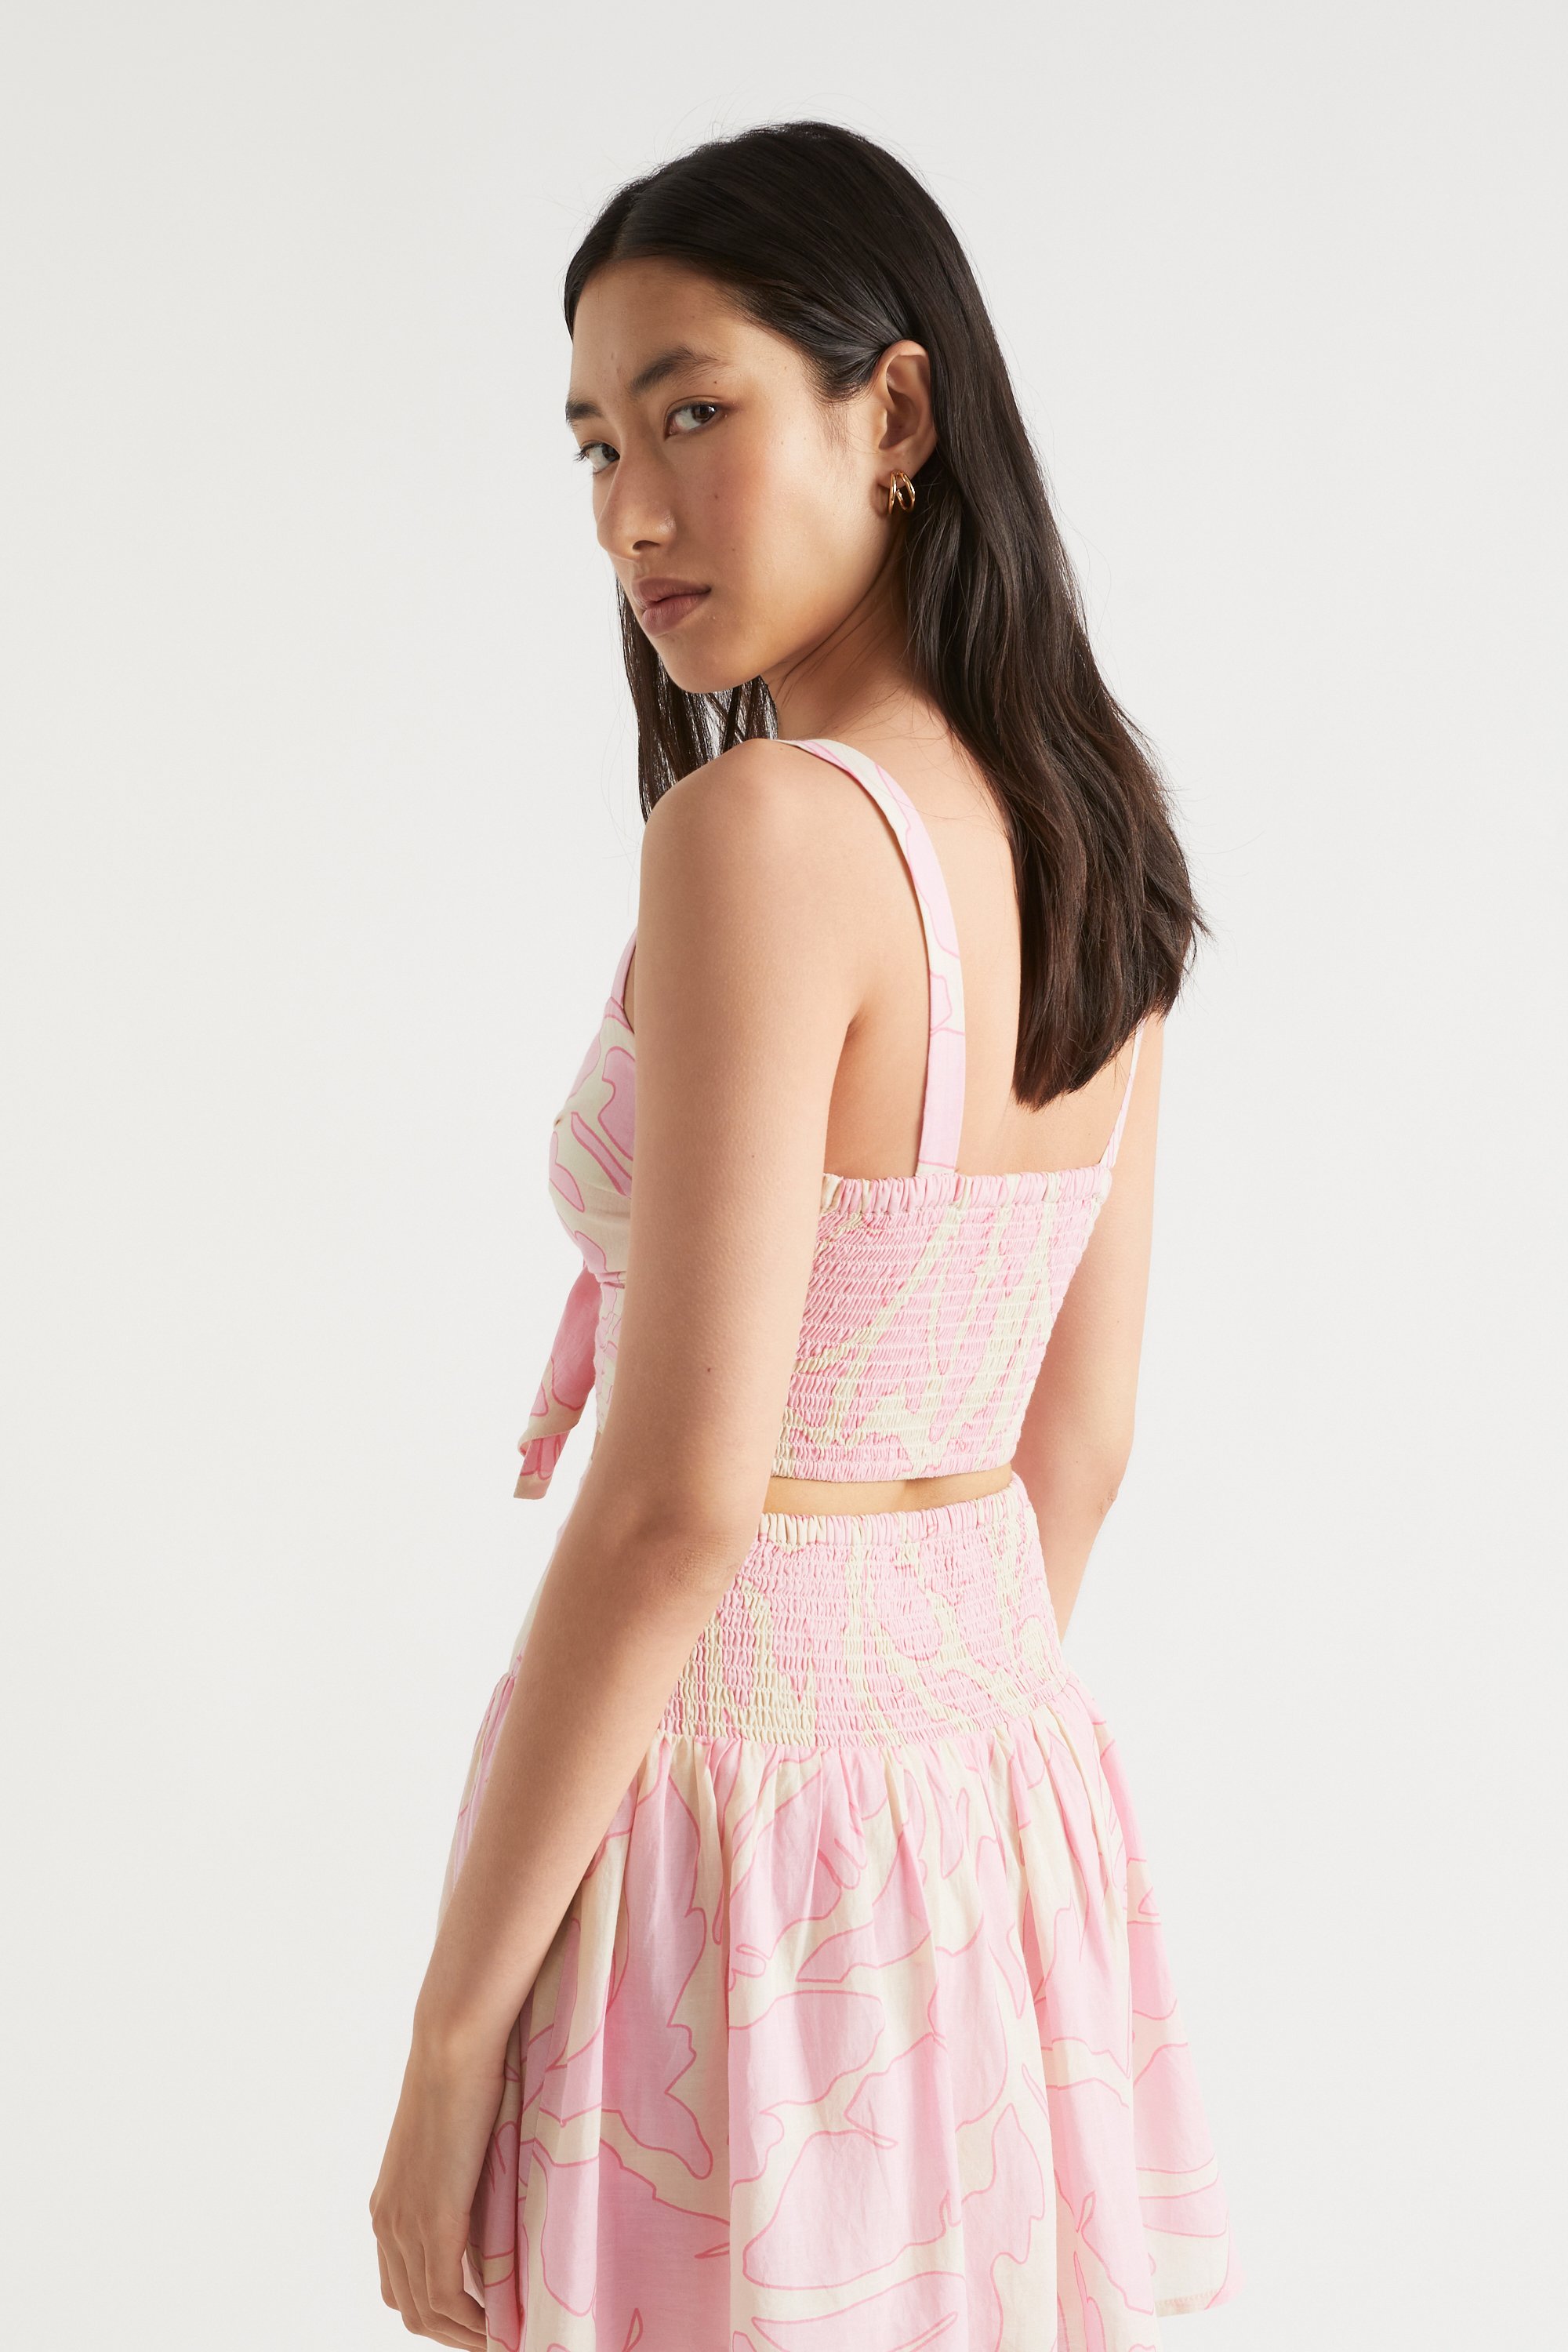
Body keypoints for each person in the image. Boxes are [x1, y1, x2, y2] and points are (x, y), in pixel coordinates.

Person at [370, 118, 1240, 2352]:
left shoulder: (762, 830)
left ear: (899, 412)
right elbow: (1082, 1440)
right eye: (596, 446)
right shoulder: (1089, 828)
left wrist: (450, 2048)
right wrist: (923, 1764)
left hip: (730, 1839)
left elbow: (678, 1507)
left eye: (693, 413)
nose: (631, 512)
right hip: (1000, 1815)